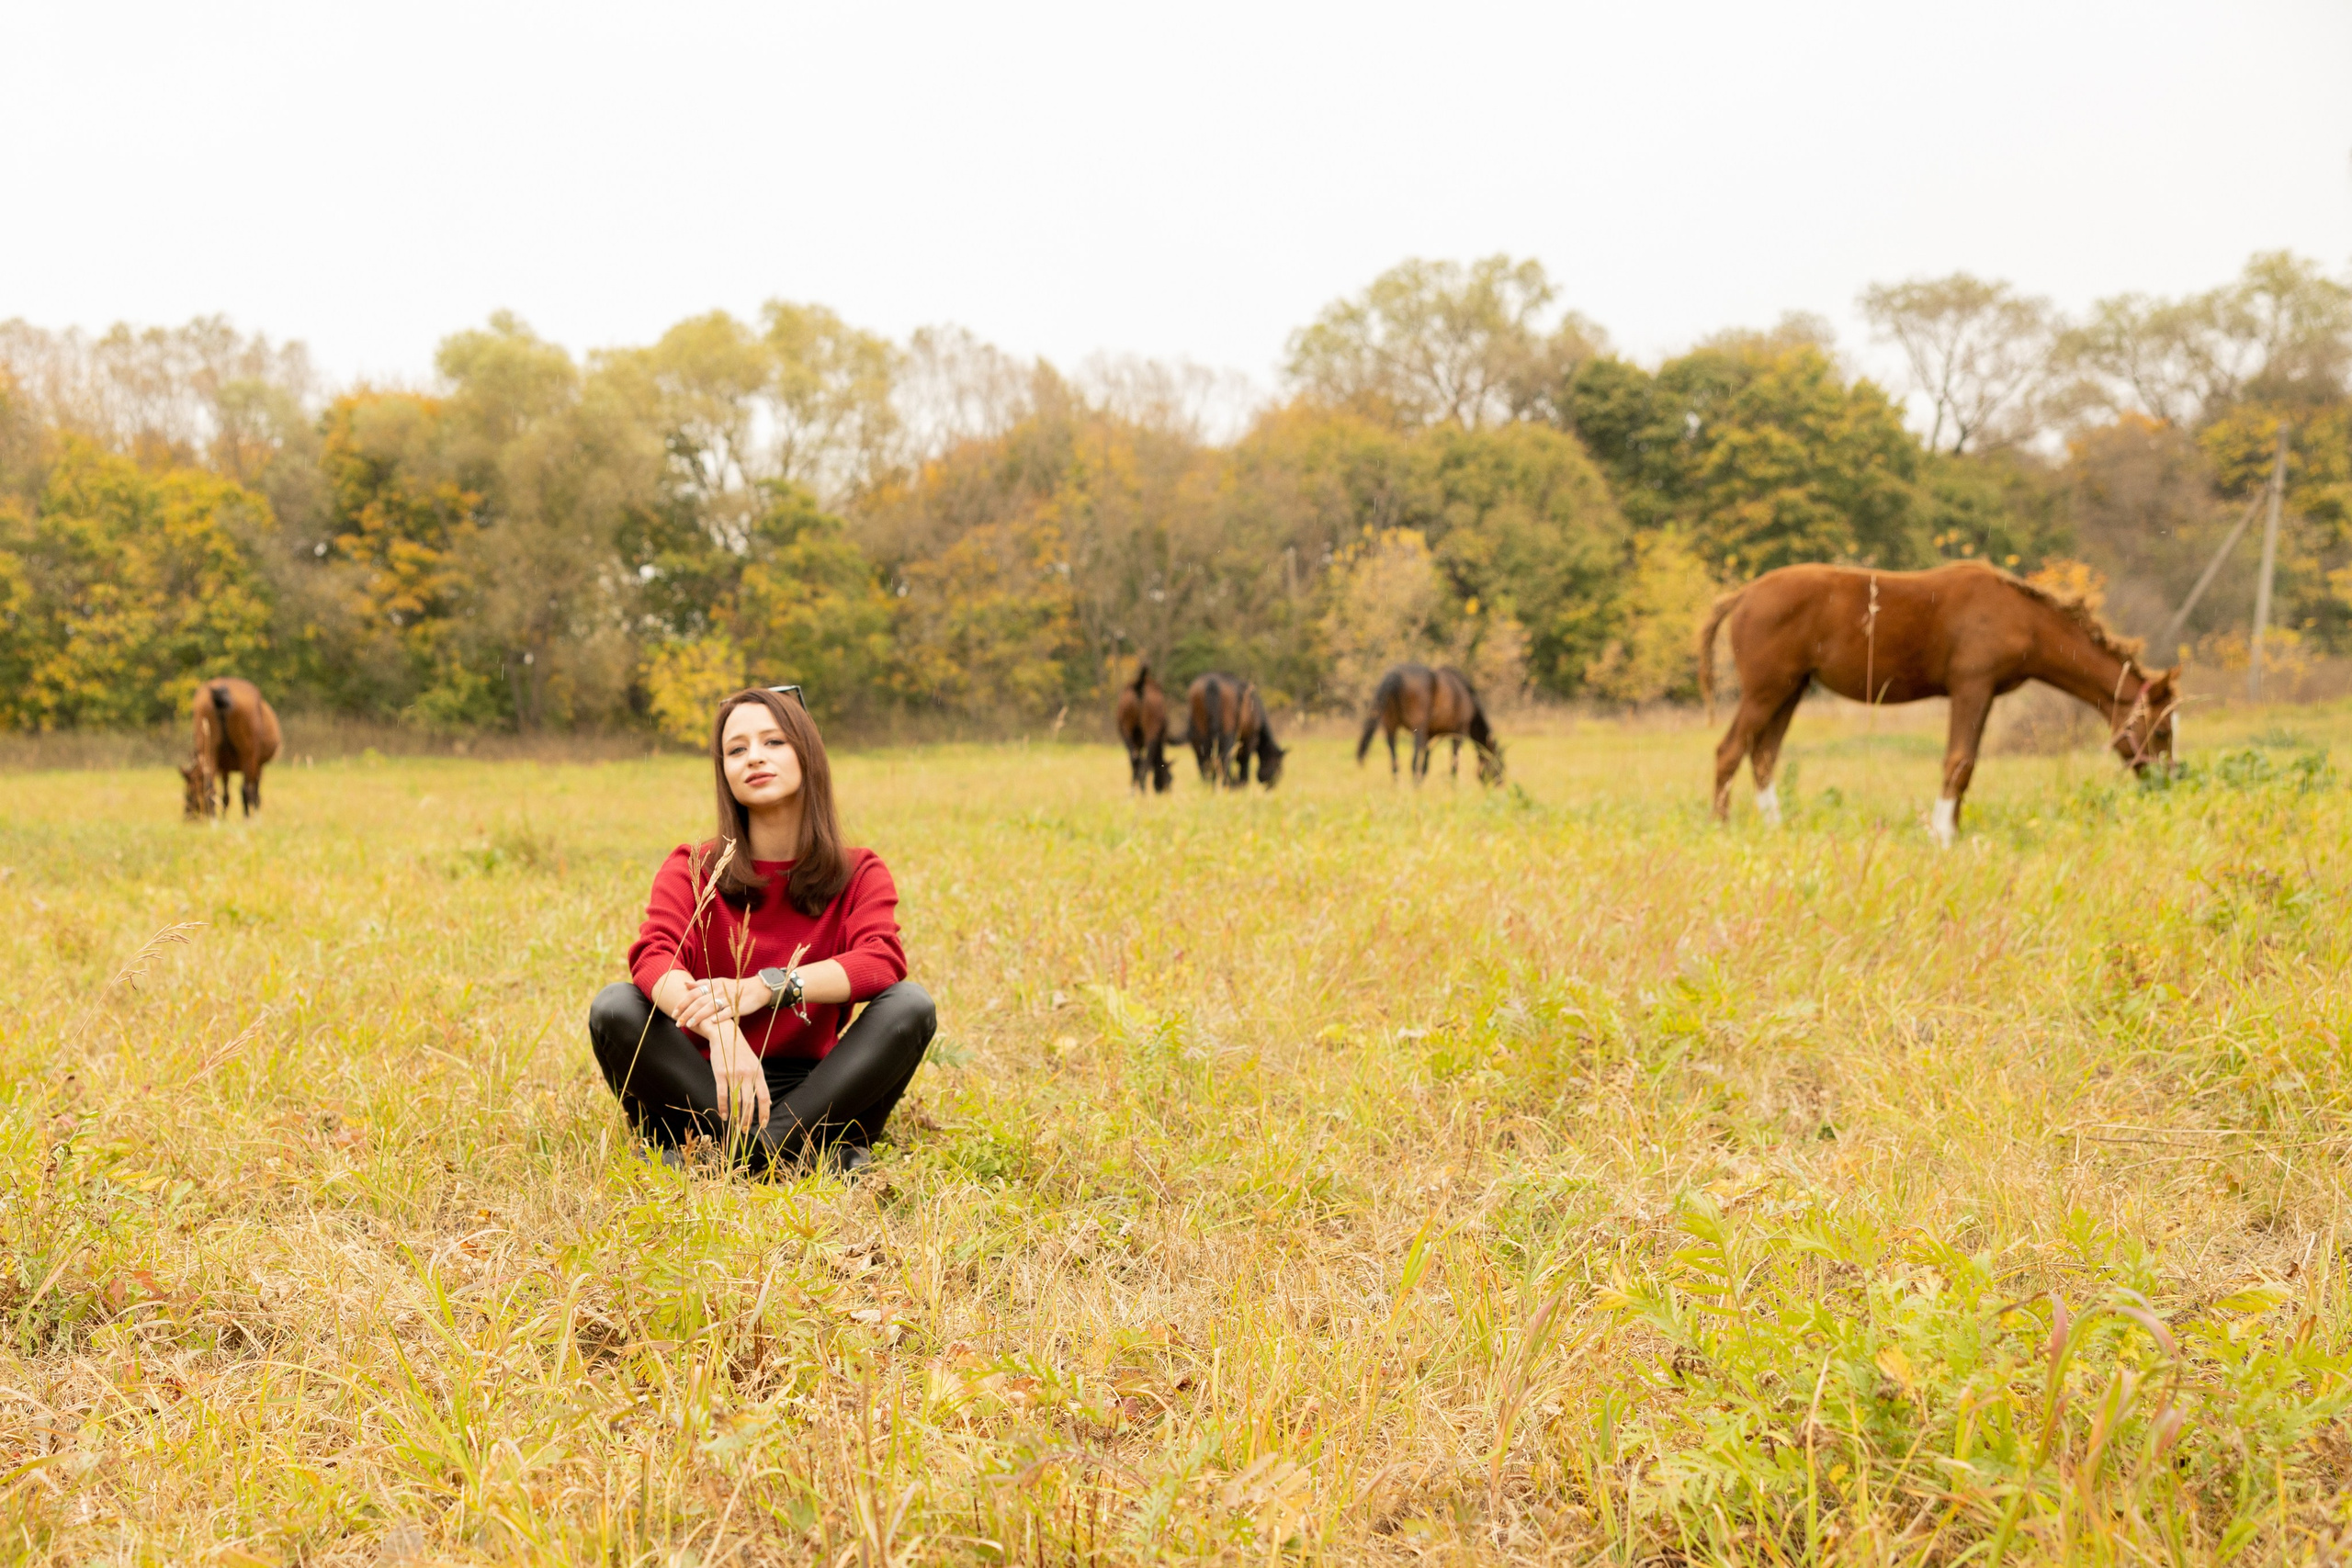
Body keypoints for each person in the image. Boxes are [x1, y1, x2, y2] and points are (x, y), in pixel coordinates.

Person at [588, 686, 935, 1174]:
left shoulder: (859, 872)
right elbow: (653, 957)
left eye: (773, 742)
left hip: (818, 1093)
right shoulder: (694, 866)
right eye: (736, 749)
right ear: (724, 773)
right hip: (704, 1087)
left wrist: (765, 988)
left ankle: (735, 1158)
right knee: (615, 1007)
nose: (754, 758)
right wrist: (718, 1027)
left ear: (807, 753)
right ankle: (797, 1158)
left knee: (911, 1005)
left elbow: (881, 961)